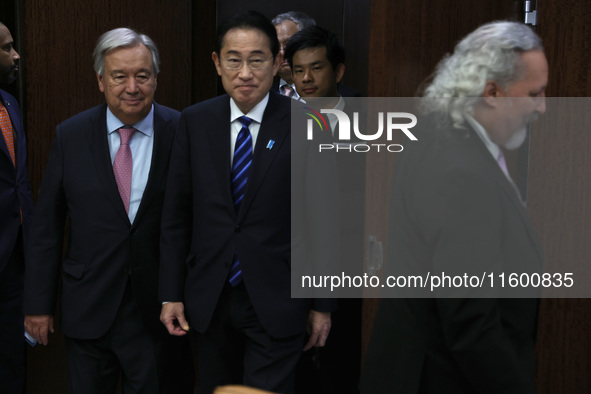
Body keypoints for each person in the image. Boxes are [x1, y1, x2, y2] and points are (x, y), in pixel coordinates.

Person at [360, 21, 547, 393]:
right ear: (492, 91)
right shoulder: (462, 171)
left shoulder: (436, 130)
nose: (542, 107)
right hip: (441, 378)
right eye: (535, 93)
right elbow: (470, 323)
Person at [159, 10, 338, 394]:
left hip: (279, 297)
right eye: (234, 60)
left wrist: (322, 304)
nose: (245, 72)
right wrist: (171, 293)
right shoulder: (194, 122)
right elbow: (177, 215)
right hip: (208, 298)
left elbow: (323, 222)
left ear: (277, 64)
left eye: (257, 60)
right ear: (216, 63)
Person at [23, 28, 194, 393]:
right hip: (89, 306)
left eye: (142, 76)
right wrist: (38, 305)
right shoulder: (70, 136)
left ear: (156, 79)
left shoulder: (182, 131)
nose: (132, 87)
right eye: (119, 76)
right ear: (101, 81)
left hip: (157, 310)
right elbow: (47, 228)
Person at [285, 25, 364, 394]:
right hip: (293, 263)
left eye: (316, 68)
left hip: (352, 264)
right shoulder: (281, 121)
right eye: (298, 70)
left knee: (341, 366)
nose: (306, 78)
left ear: (339, 71)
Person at [0, 21, 34, 394]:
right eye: (7, 48)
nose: (16, 55)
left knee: (12, 367)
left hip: (15, 261)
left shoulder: (9, 103)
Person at [272, 11, 316, 99]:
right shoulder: (260, 95)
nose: (281, 52)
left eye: (288, 44)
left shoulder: (340, 97)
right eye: (276, 46)